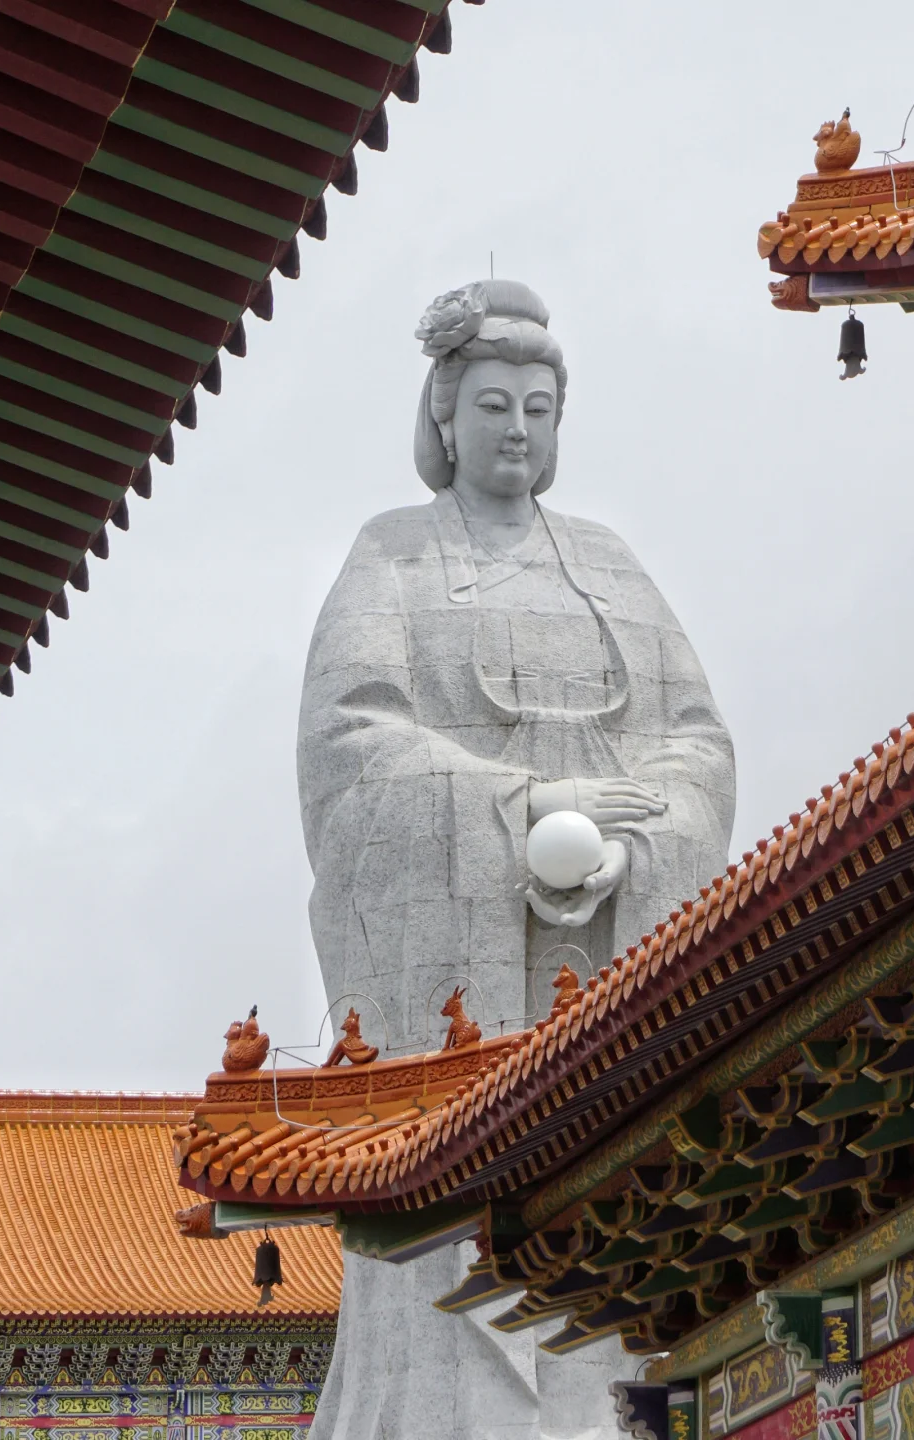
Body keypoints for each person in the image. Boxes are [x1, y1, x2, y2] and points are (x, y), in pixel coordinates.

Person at [299, 280, 735, 1440]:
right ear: (444, 415)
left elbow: (697, 744)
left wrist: (635, 841)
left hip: (606, 948)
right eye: (493, 405)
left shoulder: (608, 563)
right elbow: (351, 744)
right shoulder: (392, 555)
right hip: (461, 982)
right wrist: (529, 808)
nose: (517, 431)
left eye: (539, 409)